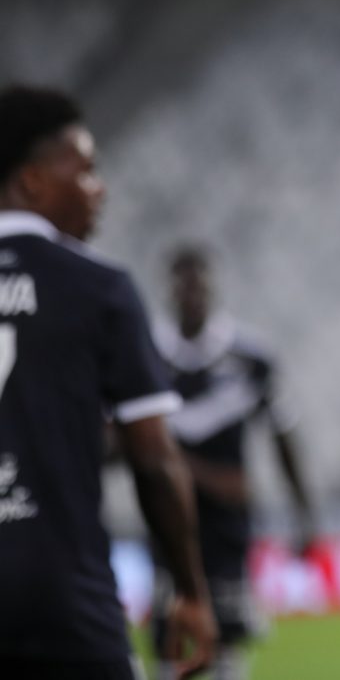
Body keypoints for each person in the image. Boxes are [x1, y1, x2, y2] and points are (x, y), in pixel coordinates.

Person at [0, 83, 215, 680]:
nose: (101, 189)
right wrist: (190, 591)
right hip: (66, 602)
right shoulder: (99, 288)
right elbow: (154, 459)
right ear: (33, 180)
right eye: (87, 170)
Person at [148, 244, 319, 680]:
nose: (192, 295)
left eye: (199, 286)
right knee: (171, 636)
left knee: (227, 638)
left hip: (226, 526)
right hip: (167, 521)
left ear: (212, 289)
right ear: (170, 292)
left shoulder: (249, 358)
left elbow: (283, 436)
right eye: (183, 286)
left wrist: (303, 513)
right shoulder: (146, 355)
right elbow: (117, 440)